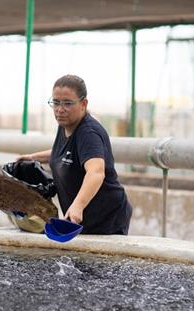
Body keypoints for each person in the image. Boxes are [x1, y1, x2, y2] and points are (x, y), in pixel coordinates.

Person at [17, 74, 132, 235]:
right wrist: (34, 157)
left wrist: (78, 205)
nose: (60, 109)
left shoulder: (88, 133)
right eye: (55, 103)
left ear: (83, 104)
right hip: (81, 217)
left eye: (67, 103)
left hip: (105, 219)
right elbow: (66, 154)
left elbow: (96, 172)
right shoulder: (65, 124)